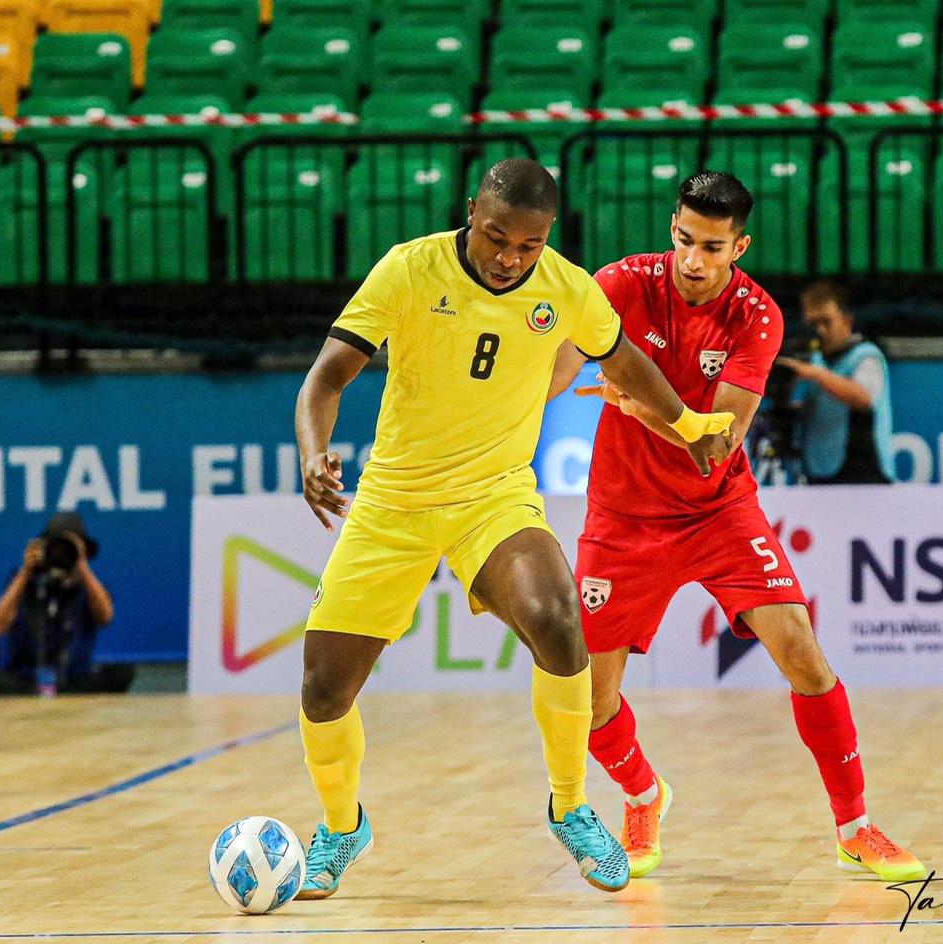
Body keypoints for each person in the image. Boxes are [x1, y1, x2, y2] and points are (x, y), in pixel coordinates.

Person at [293, 158, 735, 899]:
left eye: (527, 245)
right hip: (393, 505)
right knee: (322, 691)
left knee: (560, 619)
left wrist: (689, 426)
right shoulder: (410, 268)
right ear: (472, 210)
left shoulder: (565, 288)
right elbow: (325, 378)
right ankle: (342, 826)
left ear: (548, 238)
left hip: (492, 497)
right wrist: (314, 454)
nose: (508, 257)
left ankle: (571, 806)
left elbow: (625, 362)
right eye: (496, 237)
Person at [548, 172, 926, 883]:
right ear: (673, 228)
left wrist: (638, 406)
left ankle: (855, 826)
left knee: (804, 657)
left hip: (718, 511)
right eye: (685, 239)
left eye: (713, 247)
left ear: (739, 247)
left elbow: (718, 440)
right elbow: (556, 370)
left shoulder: (756, 316)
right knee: (588, 700)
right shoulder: (621, 285)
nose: (694, 259)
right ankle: (643, 794)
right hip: (622, 518)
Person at [0, 512, 131, 694]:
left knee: (123, 672)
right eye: (55, 549)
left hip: (72, 682)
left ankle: (59, 693)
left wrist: (83, 568)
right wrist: (26, 572)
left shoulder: (90, 587)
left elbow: (105, 617)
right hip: (24, 681)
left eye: (68, 550)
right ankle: (38, 692)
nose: (61, 555)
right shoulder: (23, 581)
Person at [777, 281, 895, 485]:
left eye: (826, 322)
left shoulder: (866, 356)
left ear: (847, 320)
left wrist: (817, 374)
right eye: (813, 324)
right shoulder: (813, 360)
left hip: (865, 476)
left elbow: (863, 398)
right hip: (819, 472)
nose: (820, 331)